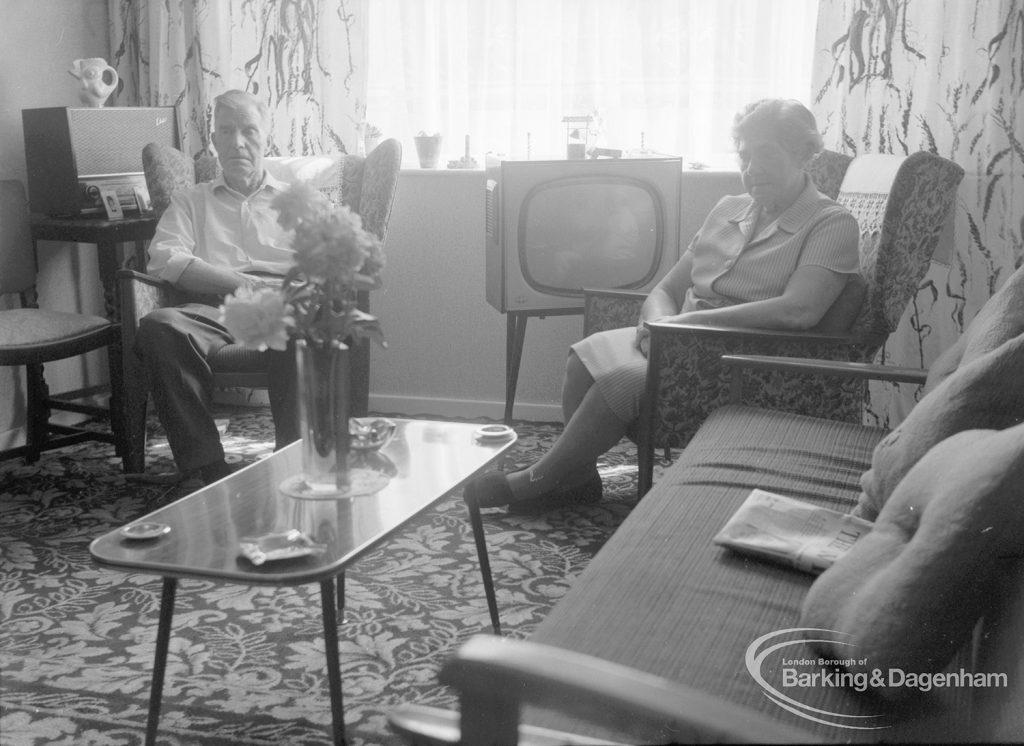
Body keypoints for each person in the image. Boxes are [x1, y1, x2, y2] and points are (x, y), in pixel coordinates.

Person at [466, 98, 860, 514]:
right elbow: (666, 287)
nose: (752, 169)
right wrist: (657, 326)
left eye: (766, 154)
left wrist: (684, 326)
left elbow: (800, 311)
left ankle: (533, 482)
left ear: (802, 154)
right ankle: (577, 479)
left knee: (618, 382)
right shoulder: (730, 207)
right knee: (583, 359)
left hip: (746, 357)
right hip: (680, 338)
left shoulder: (831, 223)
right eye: (745, 156)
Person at [134, 89, 298, 484]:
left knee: (308, 322)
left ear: (267, 137)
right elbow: (166, 259)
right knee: (161, 325)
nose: (238, 142)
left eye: (249, 131)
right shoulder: (190, 201)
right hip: (211, 307)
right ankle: (204, 467)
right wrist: (241, 282)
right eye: (226, 131)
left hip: (283, 305)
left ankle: (294, 459)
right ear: (213, 141)